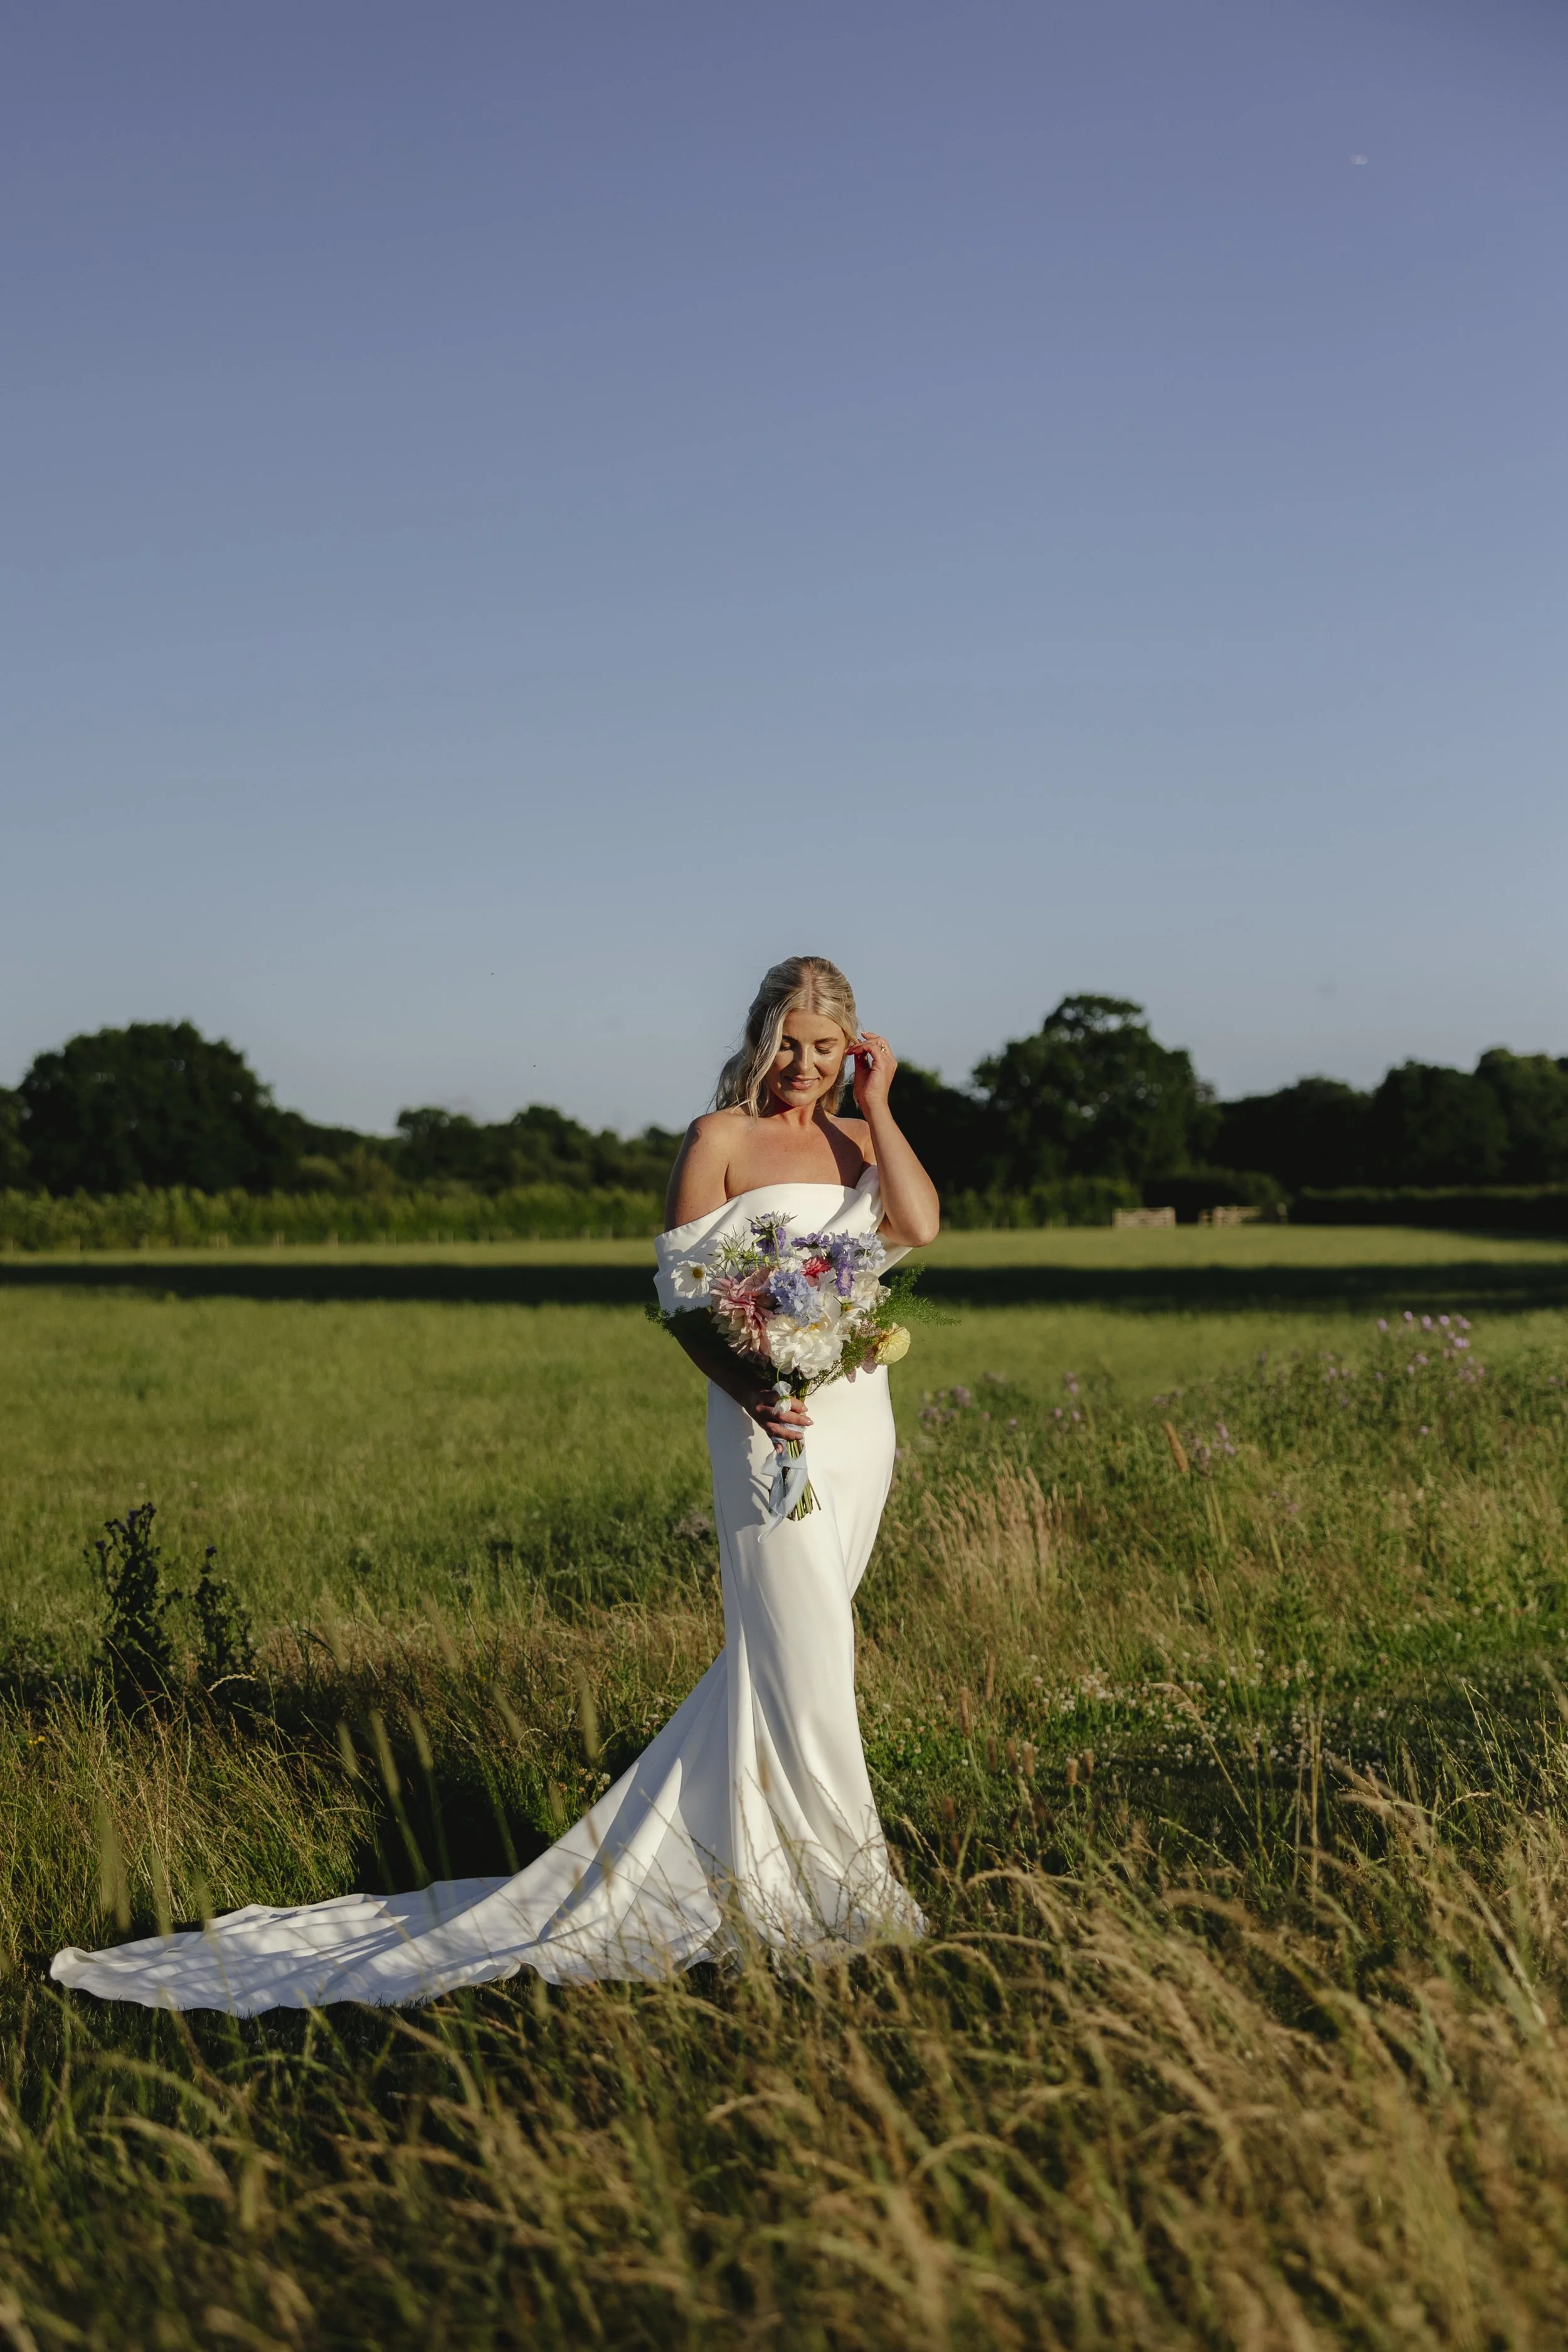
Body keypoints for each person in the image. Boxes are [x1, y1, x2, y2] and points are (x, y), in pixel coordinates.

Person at [51, 956, 940, 2012]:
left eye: (826, 1048)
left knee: (802, 1644)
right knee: (802, 1641)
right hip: (762, 1424)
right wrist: (750, 1387)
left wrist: (880, 1105)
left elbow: (919, 1228)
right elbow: (685, 1300)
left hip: (850, 1424)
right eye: (788, 1042)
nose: (803, 1064)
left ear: (854, 1050)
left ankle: (753, 1860)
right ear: (759, 1038)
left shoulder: (856, 1138)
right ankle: (838, 1883)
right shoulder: (719, 1142)